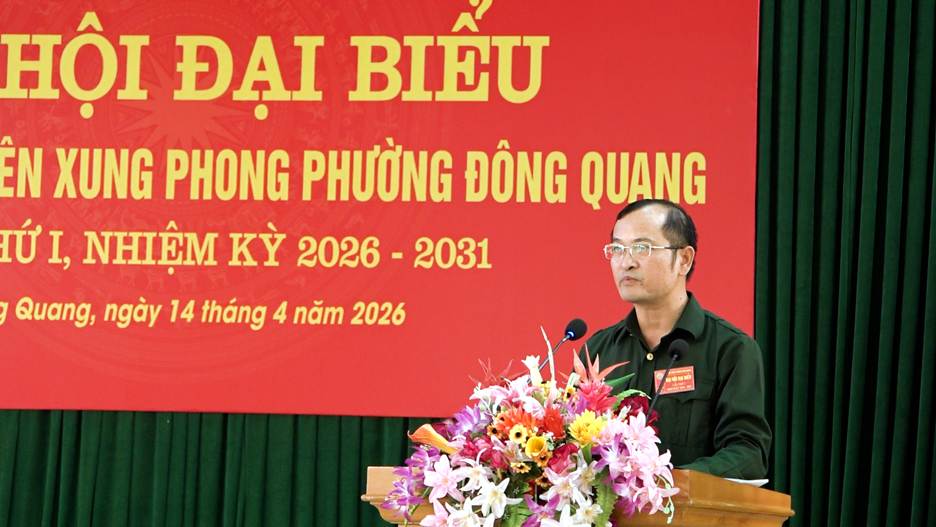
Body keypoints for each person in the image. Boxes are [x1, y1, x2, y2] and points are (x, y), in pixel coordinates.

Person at [583, 199, 771, 479]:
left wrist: (667, 483)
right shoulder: (598, 351)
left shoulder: (731, 350)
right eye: (618, 249)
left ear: (684, 259)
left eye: (642, 248)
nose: (626, 262)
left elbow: (748, 453)